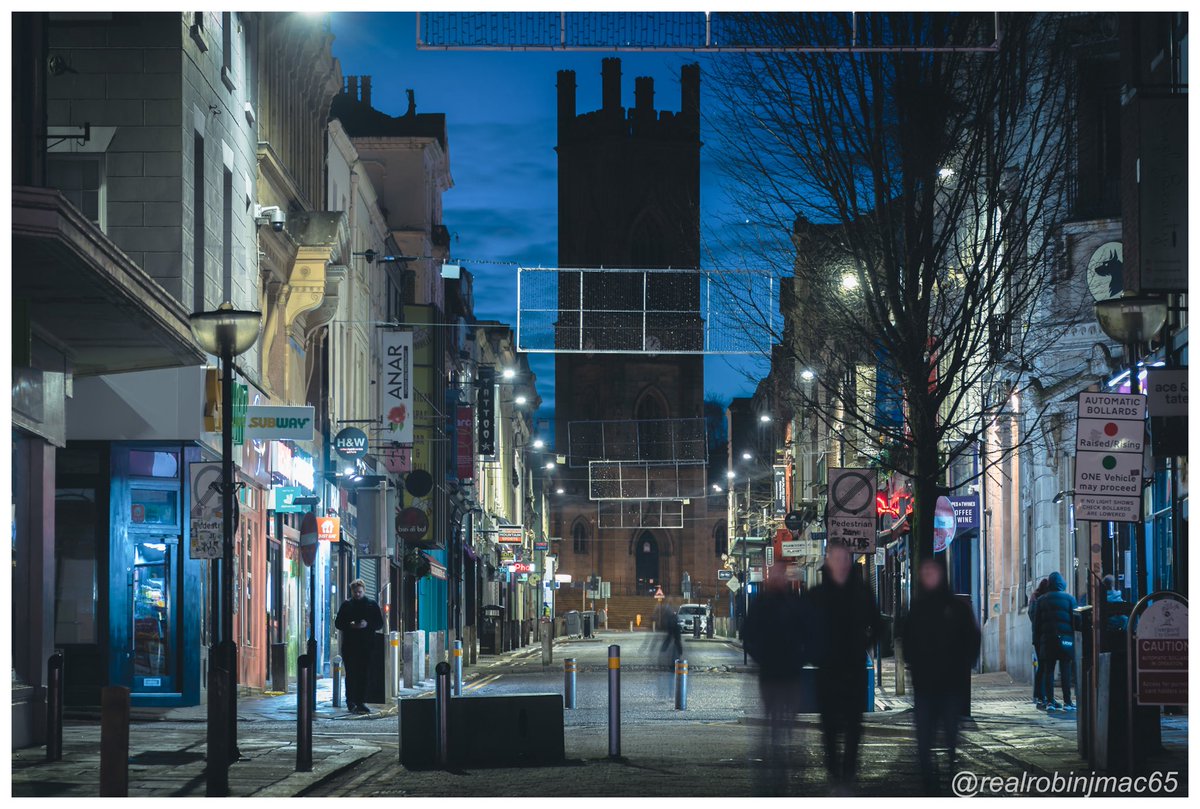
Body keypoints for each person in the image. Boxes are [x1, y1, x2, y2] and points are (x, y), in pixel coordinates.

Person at [803, 542, 883, 794]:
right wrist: (814, 654)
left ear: (848, 563)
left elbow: (879, 625)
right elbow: (802, 629)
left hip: (853, 671)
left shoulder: (861, 592)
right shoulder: (816, 594)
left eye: (843, 558)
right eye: (834, 558)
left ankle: (847, 774)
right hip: (827, 671)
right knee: (828, 729)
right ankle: (834, 774)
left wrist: (863, 646)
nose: (839, 562)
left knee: (853, 727)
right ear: (828, 561)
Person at [903, 556, 981, 795]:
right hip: (924, 685)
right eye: (924, 571)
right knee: (924, 739)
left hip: (950, 684)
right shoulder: (916, 608)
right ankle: (929, 781)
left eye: (932, 571)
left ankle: (950, 773)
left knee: (950, 735)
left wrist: (964, 665)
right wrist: (913, 663)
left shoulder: (956, 607)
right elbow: (907, 640)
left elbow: (972, 638)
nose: (928, 576)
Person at [741, 561, 807, 795]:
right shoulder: (761, 604)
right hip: (770, 672)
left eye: (781, 574)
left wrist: (800, 658)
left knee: (786, 718)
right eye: (775, 574)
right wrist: (761, 657)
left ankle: (780, 751)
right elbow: (747, 635)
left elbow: (806, 633)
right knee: (772, 717)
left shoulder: (794, 602)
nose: (778, 578)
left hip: (790, 672)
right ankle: (774, 756)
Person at [334, 579, 384, 714]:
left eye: (359, 592)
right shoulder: (347, 605)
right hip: (350, 646)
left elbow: (379, 623)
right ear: (352, 591)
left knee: (364, 674)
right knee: (351, 674)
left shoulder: (371, 605)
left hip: (367, 645)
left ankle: (360, 701)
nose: (357, 594)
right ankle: (350, 701)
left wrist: (367, 624)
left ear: (364, 591)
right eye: (355, 592)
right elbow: (338, 623)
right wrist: (350, 625)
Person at [1032, 571, 1078, 712]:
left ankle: (1050, 701)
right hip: (1066, 641)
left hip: (1047, 641)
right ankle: (1068, 702)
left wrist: (1037, 642)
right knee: (1065, 671)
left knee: (1049, 671)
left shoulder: (1041, 600)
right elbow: (1077, 621)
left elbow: (1036, 623)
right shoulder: (1070, 599)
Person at [1029, 578, 1051, 705]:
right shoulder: (1038, 599)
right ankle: (1039, 694)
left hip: (1039, 637)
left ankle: (1039, 694)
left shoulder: (1036, 598)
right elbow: (1034, 617)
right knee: (1042, 666)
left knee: (1043, 666)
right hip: (1040, 637)